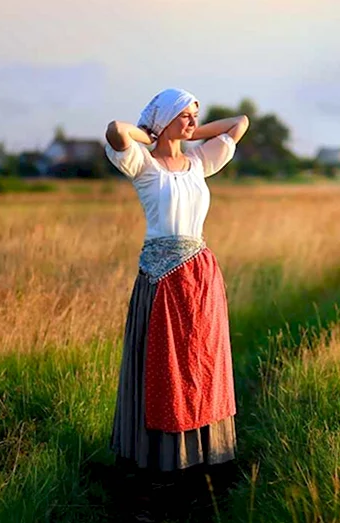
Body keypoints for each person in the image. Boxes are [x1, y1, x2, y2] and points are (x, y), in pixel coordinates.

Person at [104, 88, 249, 476]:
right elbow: (116, 131)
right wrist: (151, 135)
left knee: (203, 365)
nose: (194, 122)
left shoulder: (199, 162)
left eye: (196, 116)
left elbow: (239, 124)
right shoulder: (144, 165)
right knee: (166, 368)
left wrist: (187, 134)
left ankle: (204, 457)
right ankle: (162, 461)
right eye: (186, 115)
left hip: (201, 277)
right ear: (165, 117)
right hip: (160, 278)